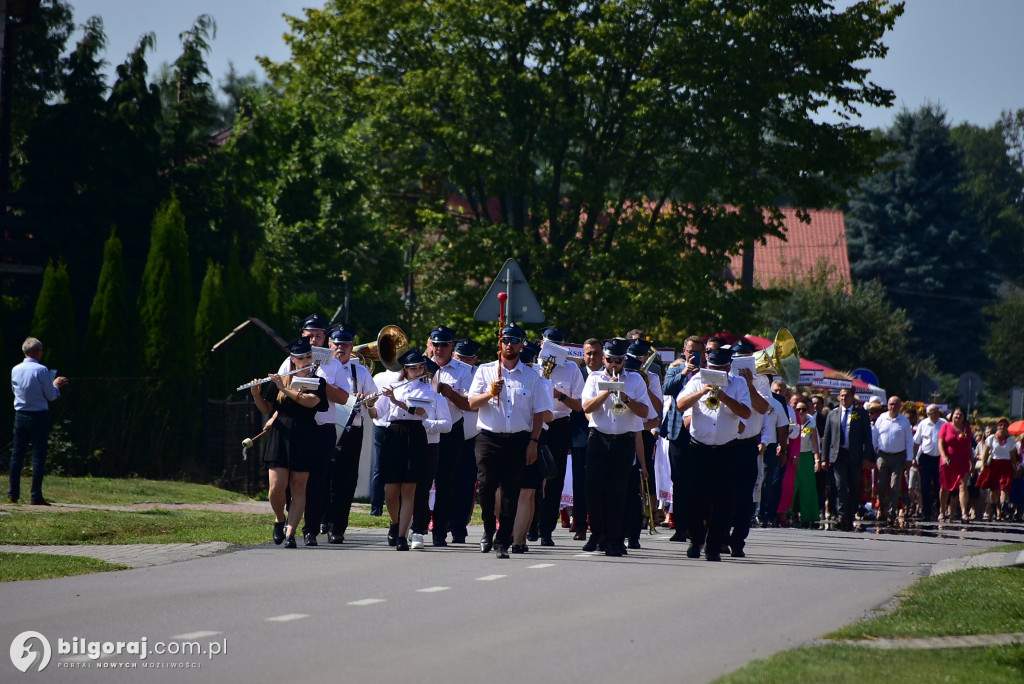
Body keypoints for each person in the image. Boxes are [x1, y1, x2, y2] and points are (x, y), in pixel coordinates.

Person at [467, 324, 550, 559]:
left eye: (514, 340)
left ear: (522, 344)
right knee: (486, 488)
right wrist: (491, 394)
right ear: (499, 344)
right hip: (489, 438)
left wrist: (533, 441)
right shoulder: (485, 371)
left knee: (511, 493)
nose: (509, 344)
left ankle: (503, 540)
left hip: (518, 440)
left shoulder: (532, 377)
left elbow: (539, 412)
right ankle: (487, 529)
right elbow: (472, 403)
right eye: (505, 340)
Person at [251, 338, 329, 548]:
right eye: (301, 358)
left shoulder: (318, 382)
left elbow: (310, 402)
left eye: (309, 357)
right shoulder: (282, 379)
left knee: (299, 488)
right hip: (281, 434)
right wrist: (257, 395)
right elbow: (266, 408)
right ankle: (279, 519)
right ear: (293, 360)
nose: (306, 361)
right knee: (276, 487)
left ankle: (291, 533)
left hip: (305, 435)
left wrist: (283, 389)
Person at [676, 346, 751, 561]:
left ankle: (713, 546)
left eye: (720, 369)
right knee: (694, 498)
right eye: (711, 368)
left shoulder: (738, 383)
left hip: (727, 449)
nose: (715, 372)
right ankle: (696, 539)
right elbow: (680, 405)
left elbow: (746, 412)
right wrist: (702, 391)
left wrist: (724, 397)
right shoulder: (697, 380)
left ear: (728, 367)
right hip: (699, 447)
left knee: (724, 501)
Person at [580, 338, 653, 557]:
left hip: (624, 439)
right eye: (610, 360)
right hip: (598, 438)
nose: (614, 364)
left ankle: (614, 539)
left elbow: (645, 413)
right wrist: (607, 391)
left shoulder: (636, 380)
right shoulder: (594, 378)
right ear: (604, 359)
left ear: (624, 360)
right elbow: (586, 407)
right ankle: (598, 533)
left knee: (618, 492)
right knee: (593, 489)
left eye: (618, 360)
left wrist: (626, 398)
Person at [377, 348, 451, 550]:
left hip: (417, 438)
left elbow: (420, 413)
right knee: (391, 492)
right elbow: (378, 412)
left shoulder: (429, 392)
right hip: (393, 435)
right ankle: (395, 523)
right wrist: (364, 404)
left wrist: (397, 401)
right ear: (406, 369)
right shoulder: (394, 386)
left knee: (411, 489)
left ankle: (404, 535)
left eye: (421, 367)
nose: (418, 371)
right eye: (413, 368)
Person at [420, 325, 473, 546]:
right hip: (423, 430)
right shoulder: (418, 366)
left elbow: (469, 405)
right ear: (430, 344)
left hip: (451, 429)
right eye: (436, 344)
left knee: (447, 482)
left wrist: (448, 392)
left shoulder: (463, 371)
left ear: (452, 346)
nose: (439, 348)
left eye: (444, 344)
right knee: (421, 481)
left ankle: (441, 531)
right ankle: (418, 526)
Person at [325, 324, 376, 544]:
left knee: (347, 481)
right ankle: (323, 519)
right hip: (326, 428)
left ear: (351, 346)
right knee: (323, 477)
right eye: (336, 343)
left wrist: (366, 396)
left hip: (352, 431)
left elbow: (374, 400)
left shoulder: (360, 371)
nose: (340, 347)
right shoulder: (321, 368)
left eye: (345, 343)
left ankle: (338, 527)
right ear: (329, 344)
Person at [535, 325, 584, 547]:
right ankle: (530, 524)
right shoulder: (532, 365)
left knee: (554, 478)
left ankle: (547, 530)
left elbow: (580, 406)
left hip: (559, 424)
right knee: (533, 477)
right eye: (549, 344)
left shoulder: (572, 369)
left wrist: (559, 395)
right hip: (535, 423)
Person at [8, 337, 69, 505]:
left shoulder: (15, 369)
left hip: (20, 414)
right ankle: (36, 495)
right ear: (37, 352)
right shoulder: (41, 370)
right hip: (38, 415)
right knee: (38, 455)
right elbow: (51, 395)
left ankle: (13, 492)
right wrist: (56, 385)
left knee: (17, 454)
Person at [725, 340, 770, 556]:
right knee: (722, 494)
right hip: (725, 443)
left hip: (746, 445)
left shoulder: (761, 381)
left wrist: (749, 385)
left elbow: (763, 408)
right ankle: (721, 536)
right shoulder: (725, 380)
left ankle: (738, 541)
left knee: (744, 496)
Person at [510, 341, 553, 552]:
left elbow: (549, 415)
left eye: (529, 362)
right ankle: (508, 532)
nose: (525, 366)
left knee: (528, 491)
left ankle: (520, 539)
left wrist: (532, 404)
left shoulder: (542, 382)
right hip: (511, 437)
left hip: (535, 436)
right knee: (506, 491)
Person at [660, 336, 704, 541]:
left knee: (696, 482)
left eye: (697, 352)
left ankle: (697, 526)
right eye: (690, 351)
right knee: (678, 481)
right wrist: (684, 372)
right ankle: (680, 528)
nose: (693, 355)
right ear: (684, 351)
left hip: (700, 432)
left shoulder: (708, 374)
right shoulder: (675, 369)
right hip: (678, 432)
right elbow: (666, 390)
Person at [820, 387, 874, 531]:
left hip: (855, 456)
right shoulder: (832, 414)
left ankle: (850, 514)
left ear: (852, 398)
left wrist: (867, 457)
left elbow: (868, 438)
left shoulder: (861, 414)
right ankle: (841, 515)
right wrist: (824, 458)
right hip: (838, 455)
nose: (844, 398)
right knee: (840, 485)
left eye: (847, 396)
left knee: (854, 486)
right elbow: (827, 438)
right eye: (842, 396)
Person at [449, 338, 481, 543]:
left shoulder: (480, 374)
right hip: (446, 434)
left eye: (468, 358)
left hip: (471, 437)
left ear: (475, 358)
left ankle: (459, 526)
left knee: (466, 484)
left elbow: (473, 404)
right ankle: (440, 523)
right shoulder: (445, 370)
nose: (463, 361)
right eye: (460, 357)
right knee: (444, 482)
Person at [874, 396, 914, 525]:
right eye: (891, 404)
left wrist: (909, 459)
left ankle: (891, 512)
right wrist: (874, 453)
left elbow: (909, 441)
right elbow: (874, 437)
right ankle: (882, 508)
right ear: (887, 405)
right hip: (882, 455)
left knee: (895, 485)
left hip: (898, 457)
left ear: (900, 406)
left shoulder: (904, 421)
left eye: (896, 405)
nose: (893, 407)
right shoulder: (881, 419)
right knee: (881, 485)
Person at [976, 417, 1018, 521]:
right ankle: (994, 510)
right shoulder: (991, 438)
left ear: (1007, 427)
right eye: (1000, 425)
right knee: (993, 489)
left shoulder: (1010, 441)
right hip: (994, 464)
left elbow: (1013, 456)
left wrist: (1014, 467)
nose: (1002, 427)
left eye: (1004, 425)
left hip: (1005, 465)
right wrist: (983, 465)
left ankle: (1003, 509)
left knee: (1004, 487)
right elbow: (986, 452)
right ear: (997, 426)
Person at [788, 397, 821, 527]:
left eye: (804, 410)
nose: (801, 412)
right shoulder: (791, 422)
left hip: (806, 457)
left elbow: (815, 443)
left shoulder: (811, 423)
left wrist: (817, 460)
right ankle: (787, 514)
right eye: (798, 409)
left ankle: (809, 516)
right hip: (792, 457)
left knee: (808, 488)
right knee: (790, 487)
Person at [912, 404, 946, 521]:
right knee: (925, 486)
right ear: (928, 414)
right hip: (926, 458)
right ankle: (926, 510)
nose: (935, 414)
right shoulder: (923, 424)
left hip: (939, 459)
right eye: (932, 412)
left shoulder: (944, 423)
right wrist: (913, 457)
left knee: (939, 485)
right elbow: (917, 442)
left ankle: (939, 508)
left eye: (936, 412)